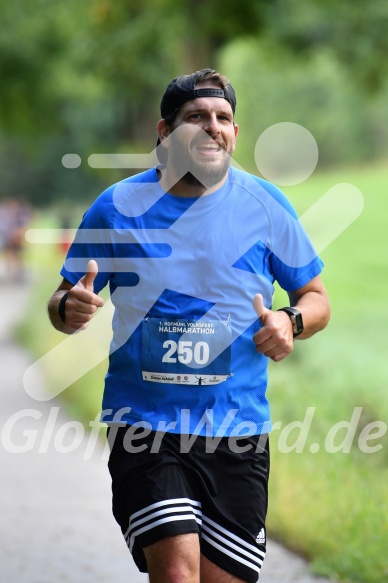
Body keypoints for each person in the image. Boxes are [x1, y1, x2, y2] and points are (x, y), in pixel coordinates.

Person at [48, 68, 330, 583]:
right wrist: (68, 308)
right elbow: (64, 297)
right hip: (146, 426)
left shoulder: (266, 206)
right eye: (195, 117)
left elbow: (315, 297)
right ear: (164, 131)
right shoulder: (116, 208)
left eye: (223, 118)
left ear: (236, 133)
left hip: (237, 428)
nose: (211, 127)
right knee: (176, 573)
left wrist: (291, 321)